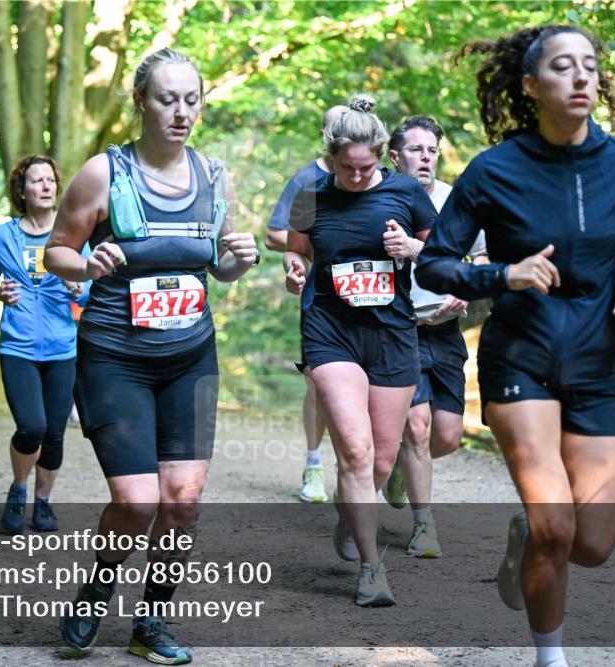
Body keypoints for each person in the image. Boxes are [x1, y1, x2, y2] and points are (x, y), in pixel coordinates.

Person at [416, 25, 615, 667]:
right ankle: (549, 657)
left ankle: (527, 537)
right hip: (521, 358)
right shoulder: (495, 170)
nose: (581, 77)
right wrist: (503, 275)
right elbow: (434, 266)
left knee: (592, 545)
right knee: (558, 525)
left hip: (601, 365)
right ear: (532, 85)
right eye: (562, 66)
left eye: (589, 65)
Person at [44, 47, 258, 665]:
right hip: (115, 358)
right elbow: (57, 250)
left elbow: (218, 266)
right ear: (141, 102)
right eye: (168, 99)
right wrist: (86, 264)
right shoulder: (102, 173)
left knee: (183, 501)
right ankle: (94, 594)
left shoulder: (215, 176)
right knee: (137, 502)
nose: (181, 112)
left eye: (192, 100)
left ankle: (152, 624)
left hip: (191, 356)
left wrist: (236, 263)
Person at [283, 94, 436, 606]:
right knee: (354, 448)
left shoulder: (407, 192)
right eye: (343, 166)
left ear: (380, 155)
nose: (353, 175)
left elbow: (441, 255)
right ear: (330, 157)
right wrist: (294, 268)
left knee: (380, 458)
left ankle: (354, 512)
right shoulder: (312, 193)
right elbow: (296, 248)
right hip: (331, 331)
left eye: (364, 167)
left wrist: (413, 250)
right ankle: (372, 569)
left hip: (392, 335)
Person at [380, 115, 489, 558]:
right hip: (398, 330)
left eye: (431, 151)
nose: (425, 158)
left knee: (446, 437)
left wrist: (465, 286)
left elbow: (482, 259)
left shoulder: (456, 201)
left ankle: (399, 470)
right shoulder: (377, 197)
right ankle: (425, 526)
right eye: (415, 150)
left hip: (444, 330)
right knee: (418, 429)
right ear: (394, 156)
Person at [0, 155, 89, 534]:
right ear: (21, 191)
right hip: (18, 347)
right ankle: (18, 489)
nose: (45, 186)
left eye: (50, 180)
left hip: (62, 348)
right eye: (36, 181)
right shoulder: (3, 236)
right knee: (31, 426)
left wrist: (80, 287)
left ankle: (43, 501)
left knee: (55, 431)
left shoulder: (73, 236)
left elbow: (91, 288)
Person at [264, 104, 347, 504]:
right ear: (324, 132)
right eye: (334, 127)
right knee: (318, 382)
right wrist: (315, 244)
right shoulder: (307, 178)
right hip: (321, 296)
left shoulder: (372, 174)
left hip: (371, 297)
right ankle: (314, 464)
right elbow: (273, 234)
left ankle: (365, 467)